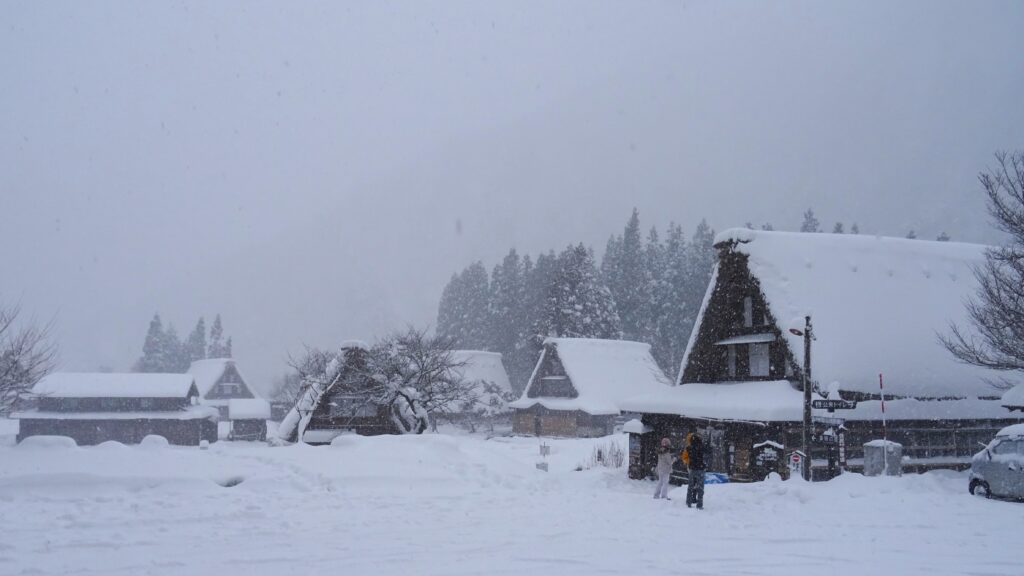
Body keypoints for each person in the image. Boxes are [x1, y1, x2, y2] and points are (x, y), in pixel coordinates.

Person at [684, 433, 706, 509]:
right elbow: (707, 452)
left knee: (690, 487)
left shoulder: (688, 448)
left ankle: (688, 502)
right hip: (701, 469)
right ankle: (699, 505)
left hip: (692, 469)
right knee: (700, 488)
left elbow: (685, 456)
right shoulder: (701, 447)